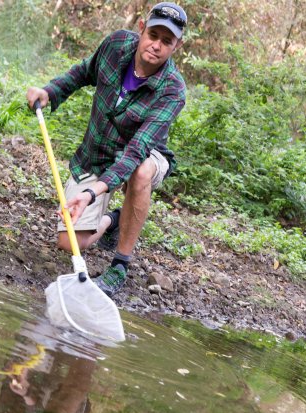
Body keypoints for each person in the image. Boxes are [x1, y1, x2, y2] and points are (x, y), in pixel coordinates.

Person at [26, 3, 188, 297]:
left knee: (140, 172)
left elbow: (138, 148)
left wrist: (91, 194)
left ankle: (119, 265)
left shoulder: (172, 90)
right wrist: (49, 92)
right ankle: (113, 220)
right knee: (70, 243)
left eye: (167, 41)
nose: (156, 45)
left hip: (146, 153)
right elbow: (83, 73)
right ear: (142, 28)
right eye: (153, 35)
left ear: (177, 45)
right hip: (97, 153)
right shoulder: (115, 46)